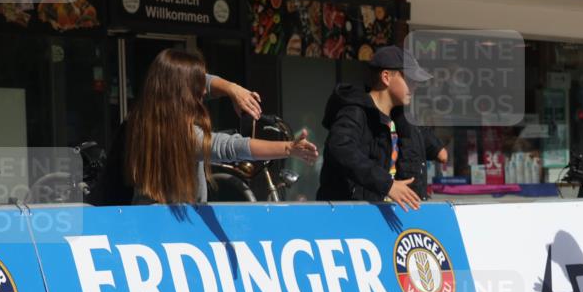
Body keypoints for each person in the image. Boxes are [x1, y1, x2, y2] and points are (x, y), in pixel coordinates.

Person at [122, 49, 317, 204]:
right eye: (196, 87)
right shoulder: (184, 137)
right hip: (172, 232)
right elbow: (230, 147)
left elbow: (200, 81)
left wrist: (232, 89)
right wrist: (288, 148)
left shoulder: (144, 119)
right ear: (183, 92)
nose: (203, 93)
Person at [316, 45, 442, 211]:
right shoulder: (355, 112)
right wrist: (387, 185)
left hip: (385, 216)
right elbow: (340, 147)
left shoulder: (401, 119)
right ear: (386, 77)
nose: (415, 86)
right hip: (348, 217)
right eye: (409, 80)